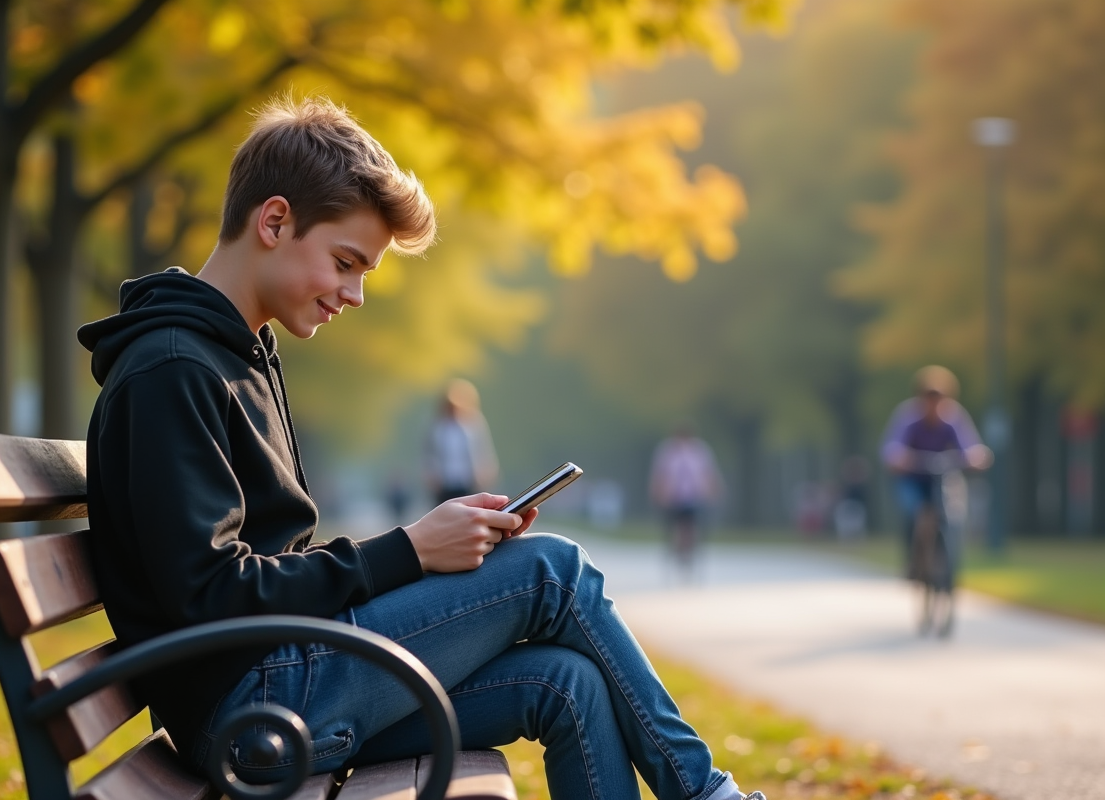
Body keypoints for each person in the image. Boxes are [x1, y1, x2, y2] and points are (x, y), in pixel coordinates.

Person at [77, 94, 765, 800]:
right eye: (347, 262)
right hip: (255, 714)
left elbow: (264, 569)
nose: (355, 293)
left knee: (568, 682)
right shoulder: (174, 370)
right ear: (275, 221)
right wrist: (408, 551)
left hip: (286, 680)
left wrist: (429, 552)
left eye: (364, 272)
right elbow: (211, 594)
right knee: (552, 572)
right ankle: (709, 794)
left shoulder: (237, 353)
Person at [880, 366, 992, 577]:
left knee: (953, 512)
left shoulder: (954, 417)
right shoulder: (908, 416)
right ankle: (911, 560)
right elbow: (892, 446)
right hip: (913, 477)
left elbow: (970, 446)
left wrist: (975, 457)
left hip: (944, 475)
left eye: (940, 397)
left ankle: (951, 559)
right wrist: (898, 458)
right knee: (910, 510)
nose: (934, 402)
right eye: (929, 396)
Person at [648, 421, 724, 581]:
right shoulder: (667, 451)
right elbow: (660, 474)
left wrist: (712, 490)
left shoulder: (700, 451)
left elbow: (708, 472)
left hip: (693, 496)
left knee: (691, 526)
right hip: (673, 497)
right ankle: (677, 552)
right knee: (675, 528)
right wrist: (658, 492)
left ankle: (689, 554)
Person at [423, 378, 499, 505]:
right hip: (444, 481)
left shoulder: (474, 424)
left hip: (468, 480)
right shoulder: (437, 427)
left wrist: (487, 471)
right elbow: (429, 454)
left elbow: (483, 450)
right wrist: (430, 475)